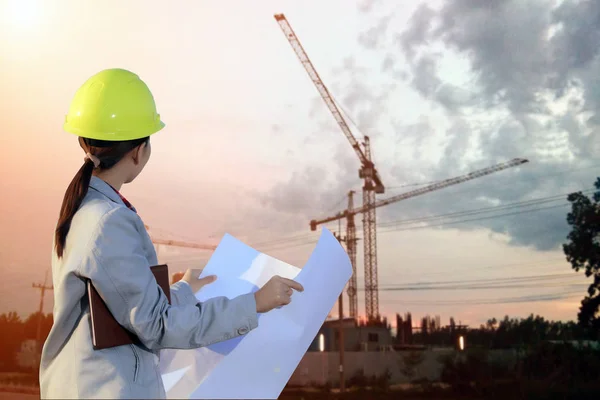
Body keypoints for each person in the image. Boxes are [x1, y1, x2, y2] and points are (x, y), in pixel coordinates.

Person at [39, 68, 304, 399]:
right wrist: (254, 304)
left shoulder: (85, 209)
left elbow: (124, 302)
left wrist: (183, 290)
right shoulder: (108, 222)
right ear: (139, 151)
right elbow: (157, 325)